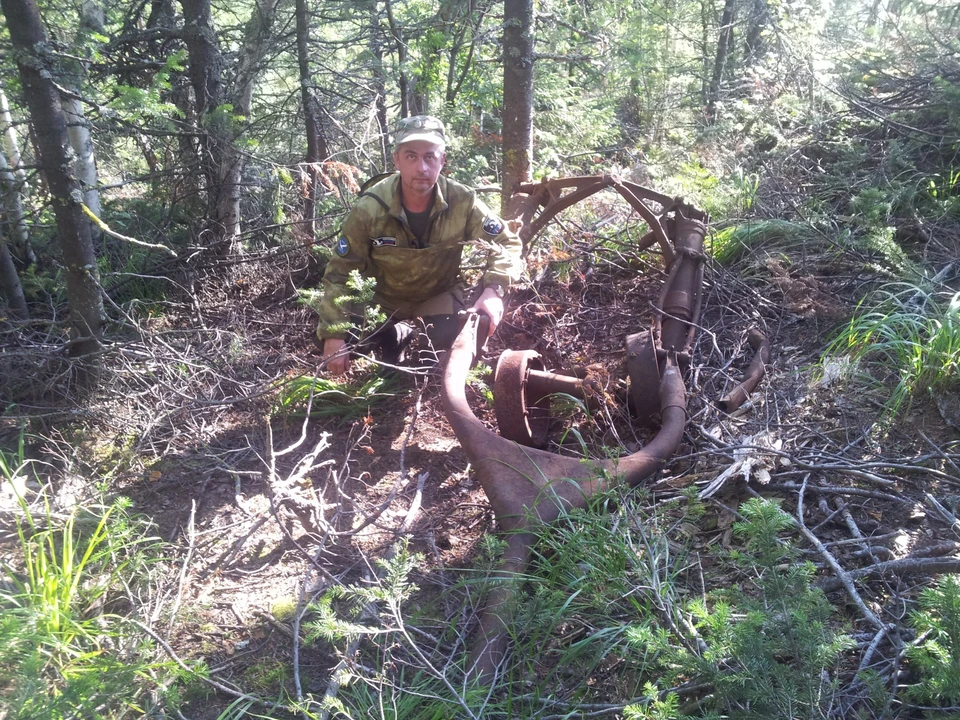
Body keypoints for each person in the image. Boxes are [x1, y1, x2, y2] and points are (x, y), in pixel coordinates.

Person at [316, 115, 525, 374]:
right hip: (382, 299)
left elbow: (506, 241)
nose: (422, 168)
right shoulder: (370, 208)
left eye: (430, 157)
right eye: (411, 156)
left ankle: (426, 338)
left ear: (443, 160)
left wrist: (494, 290)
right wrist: (334, 333)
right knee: (347, 345)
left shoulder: (462, 201)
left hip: (437, 296)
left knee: (448, 349)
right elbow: (340, 272)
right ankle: (395, 334)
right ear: (397, 160)